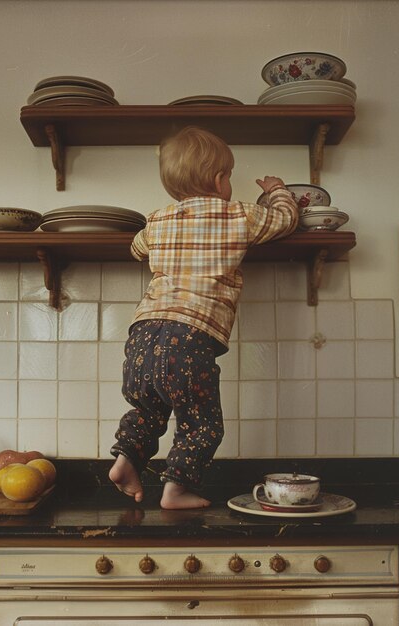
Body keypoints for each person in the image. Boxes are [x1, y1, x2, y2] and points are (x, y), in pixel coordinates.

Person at [109, 126, 298, 509]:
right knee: (200, 421)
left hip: (143, 334)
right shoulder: (240, 214)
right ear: (220, 179)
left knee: (147, 408)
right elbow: (285, 220)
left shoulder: (157, 219)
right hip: (190, 335)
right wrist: (278, 190)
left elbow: (136, 248)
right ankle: (176, 488)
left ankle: (126, 459)